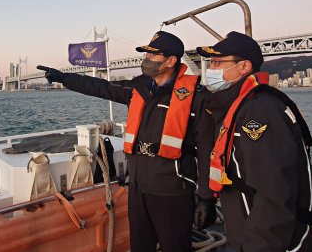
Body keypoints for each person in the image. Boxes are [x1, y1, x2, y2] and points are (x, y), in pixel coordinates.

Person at [37, 31, 216, 252]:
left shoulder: (197, 97)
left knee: (175, 246)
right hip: (138, 186)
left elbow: (208, 150)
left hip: (172, 190)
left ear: (170, 61)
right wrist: (64, 78)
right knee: (140, 245)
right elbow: (101, 88)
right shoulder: (138, 88)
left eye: (153, 55)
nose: (146, 60)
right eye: (146, 55)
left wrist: (207, 199)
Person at [197, 31, 312, 251]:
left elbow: (273, 193)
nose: (210, 69)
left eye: (217, 62)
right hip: (244, 231)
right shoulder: (235, 106)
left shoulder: (259, 111)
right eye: (211, 63)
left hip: (270, 243)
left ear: (244, 67)